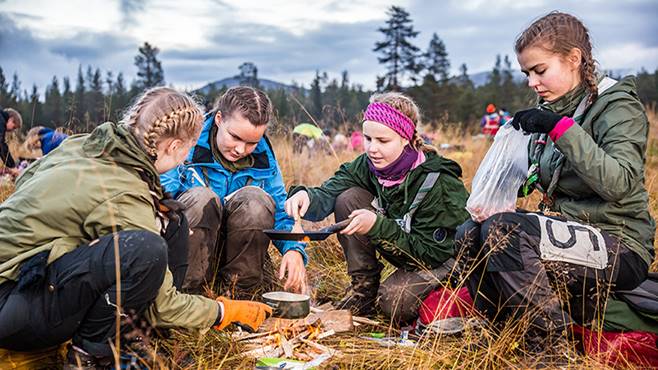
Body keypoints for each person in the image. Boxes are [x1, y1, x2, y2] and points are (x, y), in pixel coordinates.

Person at [0, 87, 271, 367]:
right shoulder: (125, 190)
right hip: (13, 306)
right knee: (146, 249)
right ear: (173, 147)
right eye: (187, 151)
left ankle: (139, 335)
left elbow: (26, 180)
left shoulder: (86, 144)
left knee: (172, 216)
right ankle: (91, 356)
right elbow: (163, 304)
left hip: (26, 283)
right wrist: (223, 311)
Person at [457, 11, 654, 350]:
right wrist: (506, 182)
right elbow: (543, 176)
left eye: (540, 70)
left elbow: (620, 183)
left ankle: (549, 348)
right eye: (527, 73)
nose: (532, 82)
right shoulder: (553, 110)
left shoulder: (617, 107)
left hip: (620, 245)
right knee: (471, 232)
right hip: (571, 235)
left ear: (574, 58)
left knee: (506, 232)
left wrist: (559, 129)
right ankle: (502, 333)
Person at [285, 92, 470, 324]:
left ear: (406, 139)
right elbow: (329, 192)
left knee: (393, 302)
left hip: (445, 261)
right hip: (406, 252)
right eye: (368, 138)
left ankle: (452, 295)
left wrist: (377, 226)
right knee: (348, 198)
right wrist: (306, 197)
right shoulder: (368, 165)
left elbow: (434, 253)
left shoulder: (437, 182)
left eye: (383, 141)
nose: (372, 149)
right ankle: (363, 291)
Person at [161, 86, 307, 299]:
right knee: (201, 198)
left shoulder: (265, 160)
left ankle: (242, 296)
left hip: (242, 258)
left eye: (251, 143)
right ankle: (188, 296)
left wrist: (293, 249)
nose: (240, 149)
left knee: (256, 200)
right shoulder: (185, 145)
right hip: (189, 253)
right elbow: (161, 197)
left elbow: (282, 213)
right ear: (219, 119)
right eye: (235, 137)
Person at [0, 107, 22, 177]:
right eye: (14, 127)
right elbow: (1, 145)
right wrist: (12, 166)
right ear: (11, 119)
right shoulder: (1, 121)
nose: (11, 131)